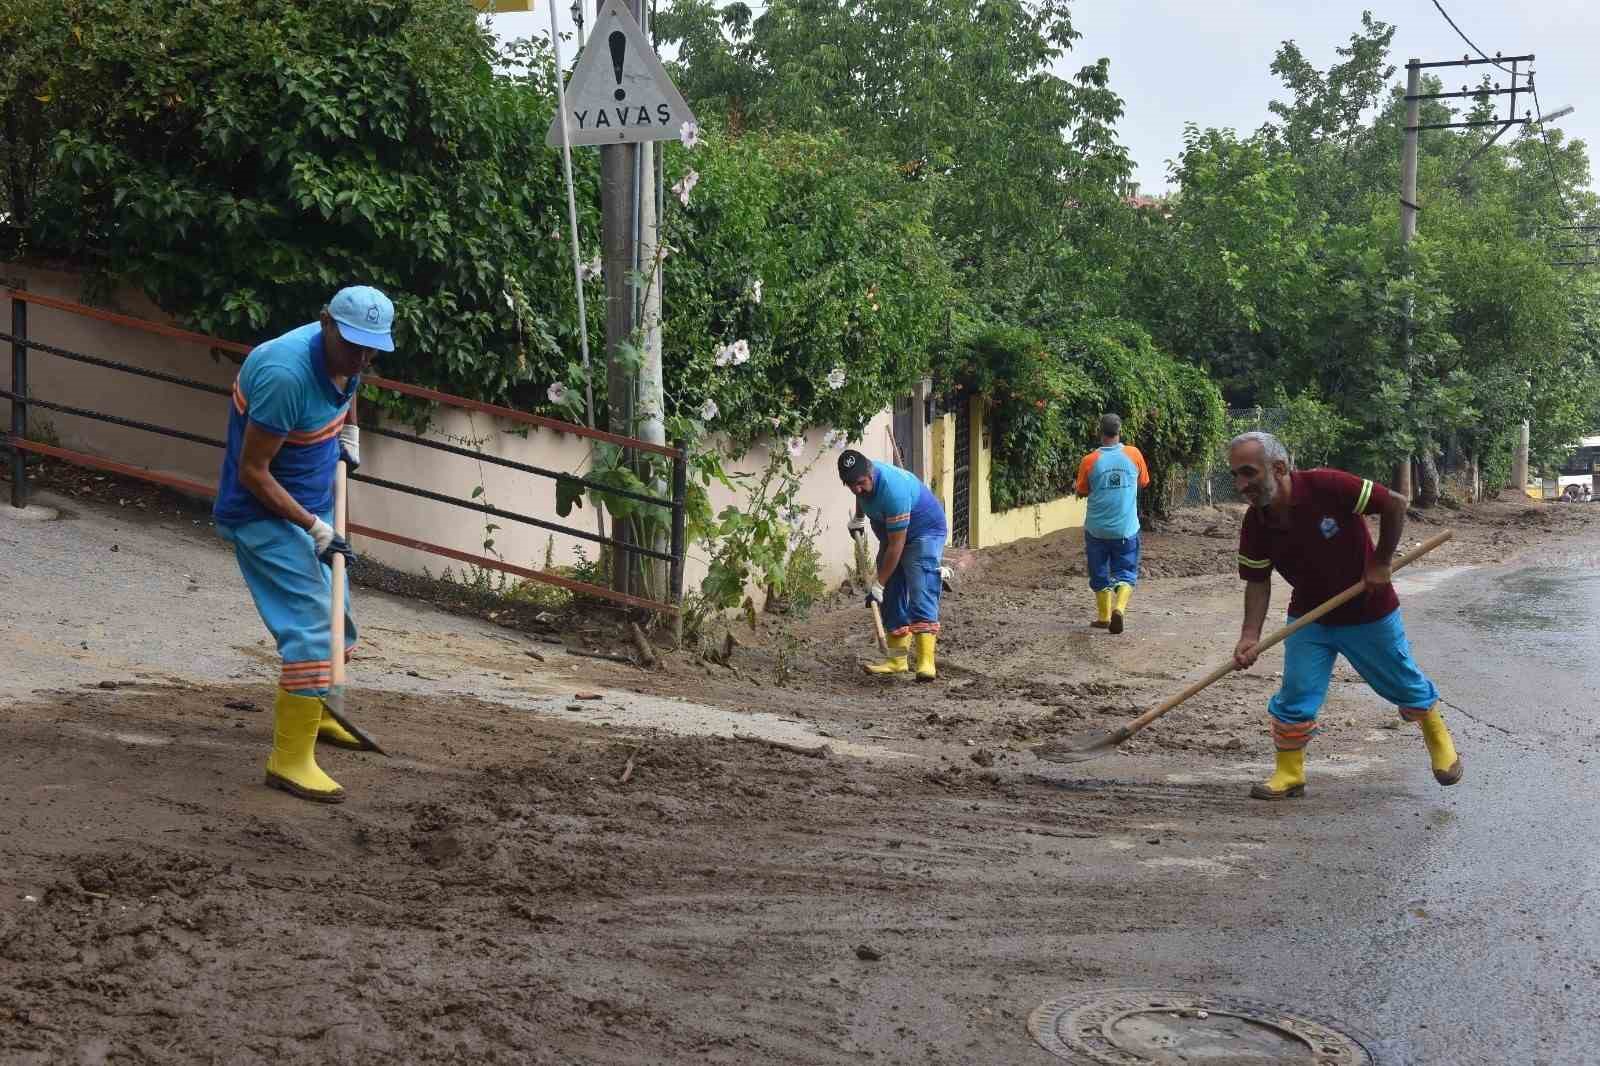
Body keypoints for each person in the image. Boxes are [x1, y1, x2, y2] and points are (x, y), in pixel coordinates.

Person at [213, 286, 395, 804]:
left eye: (372, 349)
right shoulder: (284, 375)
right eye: (354, 345)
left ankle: (319, 711)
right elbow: (252, 472)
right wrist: (314, 528)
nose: (362, 358)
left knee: (341, 619)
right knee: (315, 629)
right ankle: (288, 761)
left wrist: (350, 435)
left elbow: (350, 380)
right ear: (325, 323)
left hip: (311, 504)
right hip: (263, 514)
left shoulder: (353, 357)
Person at [1228, 430, 1463, 800]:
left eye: (1248, 473)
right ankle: (1290, 773)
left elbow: (1396, 503)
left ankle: (1437, 737)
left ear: (1279, 467)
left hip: (1369, 612)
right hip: (1310, 617)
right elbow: (1257, 581)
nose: (1241, 485)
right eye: (1236, 476)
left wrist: (1381, 562)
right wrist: (1249, 636)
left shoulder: (1328, 485)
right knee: (1296, 693)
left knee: (1401, 683)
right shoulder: (1256, 523)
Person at [840, 450, 948, 681]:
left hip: (924, 532)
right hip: (893, 537)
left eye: (859, 483)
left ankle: (925, 662)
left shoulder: (893, 491)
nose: (856, 489)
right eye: (850, 485)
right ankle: (897, 660)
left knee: (921, 587)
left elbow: (896, 548)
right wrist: (859, 517)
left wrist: (878, 584)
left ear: (870, 472)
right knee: (891, 594)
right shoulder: (863, 481)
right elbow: (862, 496)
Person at [1074, 413, 1150, 634]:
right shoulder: (1133, 454)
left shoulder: (1089, 460)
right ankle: (1120, 608)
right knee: (1126, 571)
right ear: (1119, 431)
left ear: (1100, 432)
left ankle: (1104, 617)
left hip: (1097, 529)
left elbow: (1082, 490)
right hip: (1126, 529)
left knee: (1099, 572)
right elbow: (1143, 482)